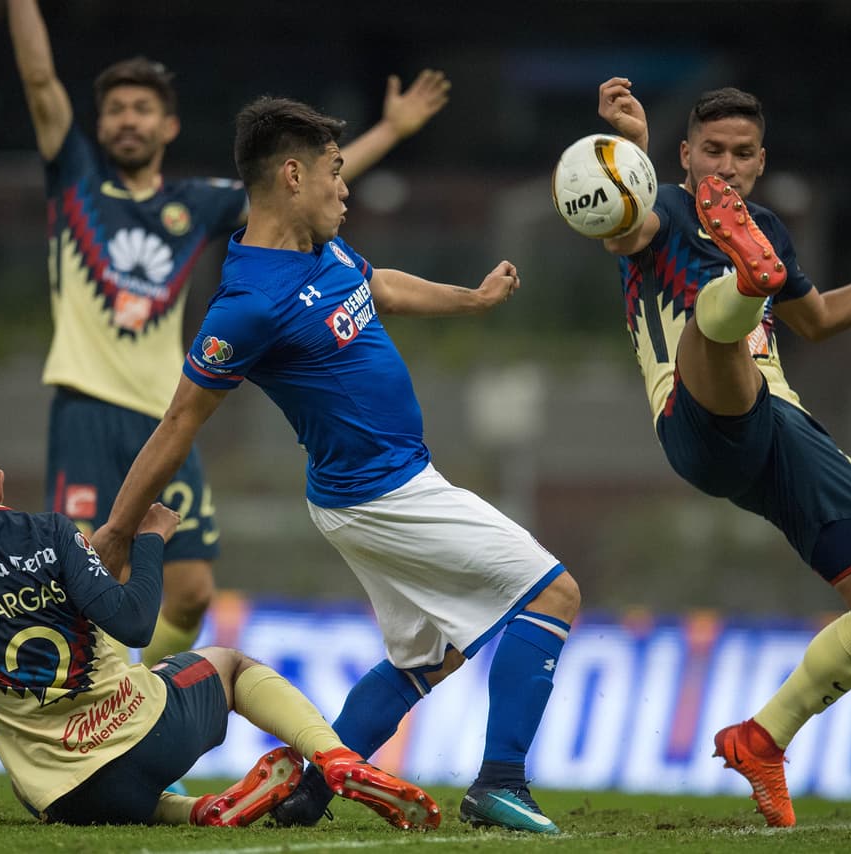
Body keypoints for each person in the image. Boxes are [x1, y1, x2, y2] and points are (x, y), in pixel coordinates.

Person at [90, 96, 581, 835]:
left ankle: (308, 793)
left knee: (429, 657)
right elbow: (179, 419)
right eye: (335, 173)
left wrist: (471, 300)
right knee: (555, 593)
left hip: (389, 481)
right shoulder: (248, 303)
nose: (345, 189)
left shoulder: (324, 252)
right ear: (292, 175)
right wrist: (119, 531)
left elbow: (377, 287)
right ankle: (500, 781)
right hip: (380, 492)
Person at [8, 0, 451, 666]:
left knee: (189, 595)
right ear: (98, 124)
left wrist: (389, 131)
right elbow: (41, 82)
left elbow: (296, 182)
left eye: (143, 108)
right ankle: (85, 728)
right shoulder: (76, 187)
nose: (128, 119)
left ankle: (139, 699)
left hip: (164, 414)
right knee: (80, 583)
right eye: (116, 109)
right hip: (86, 413)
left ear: (169, 125)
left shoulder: (196, 204)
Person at [594, 78, 851, 827]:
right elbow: (618, 229)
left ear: (761, 162)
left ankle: (763, 738)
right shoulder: (658, 206)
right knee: (718, 324)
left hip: (780, 424)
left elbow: (819, 321)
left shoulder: (770, 226)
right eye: (712, 152)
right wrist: (630, 147)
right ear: (686, 156)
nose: (726, 165)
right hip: (692, 419)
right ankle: (743, 285)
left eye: (742, 154)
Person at [0, 426, 439, 830]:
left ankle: (202, 811)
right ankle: (335, 757)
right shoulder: (49, 532)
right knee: (230, 664)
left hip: (63, 794)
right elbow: (135, 622)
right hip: (146, 737)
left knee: (55, 787)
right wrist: (151, 540)